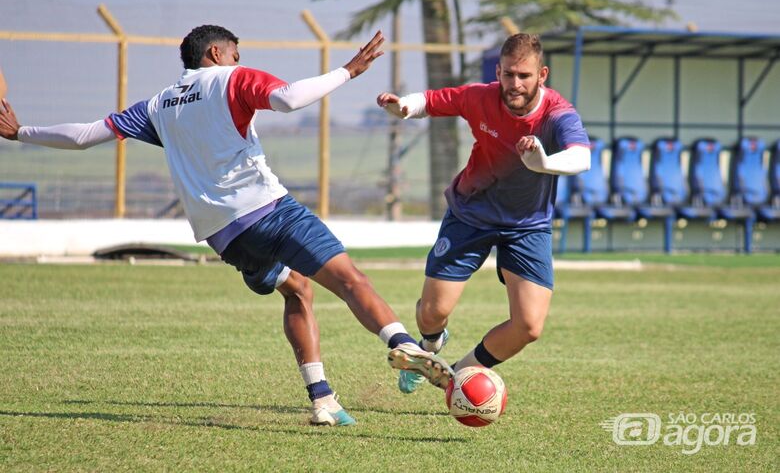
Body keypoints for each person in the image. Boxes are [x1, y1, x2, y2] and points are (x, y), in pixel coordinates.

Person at [0, 25, 452, 426]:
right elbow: (289, 98)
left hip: (226, 236)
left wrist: (21, 132)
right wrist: (348, 71)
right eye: (236, 51)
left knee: (297, 289)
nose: (240, 59)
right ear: (216, 53)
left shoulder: (159, 104)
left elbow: (84, 135)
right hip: (270, 211)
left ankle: (323, 401)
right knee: (350, 280)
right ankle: (404, 344)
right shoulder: (231, 79)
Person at [377, 33, 590, 394]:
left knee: (529, 326)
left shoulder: (557, 114)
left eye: (524, 75)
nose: (515, 83)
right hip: (471, 213)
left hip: (526, 226)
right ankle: (429, 349)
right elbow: (432, 101)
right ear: (498, 71)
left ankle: (457, 376)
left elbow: (582, 156)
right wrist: (404, 107)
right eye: (508, 74)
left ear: (543, 74)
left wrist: (545, 164)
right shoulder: (481, 97)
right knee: (432, 313)